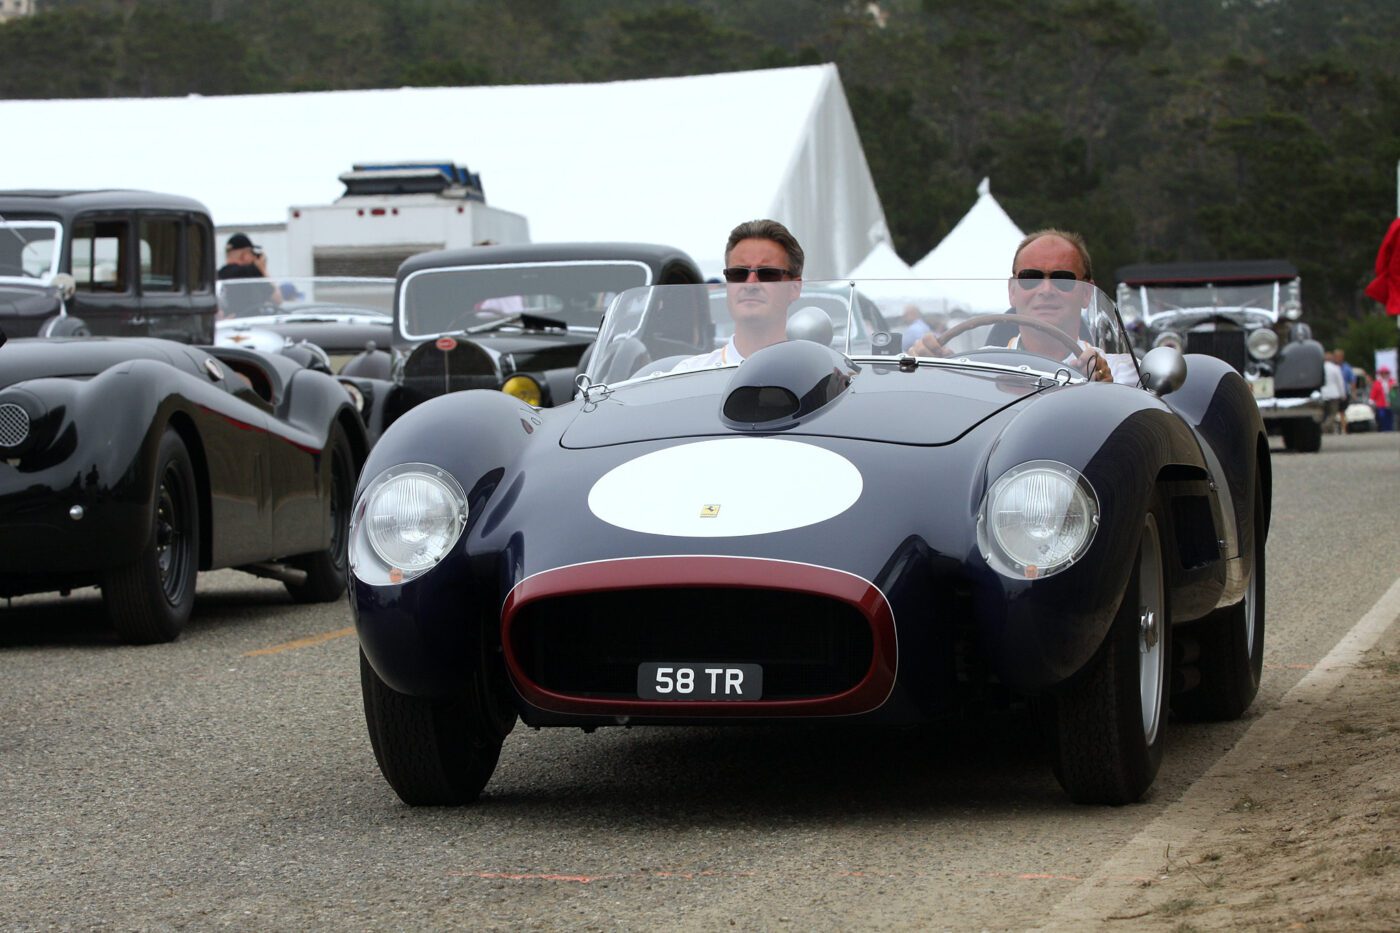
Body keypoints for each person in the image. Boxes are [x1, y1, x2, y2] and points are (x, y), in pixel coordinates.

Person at [910, 229, 1137, 385]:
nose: (1046, 290)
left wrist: (1107, 389)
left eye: (1062, 280)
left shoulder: (1123, 374)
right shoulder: (976, 367)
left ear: (1086, 293)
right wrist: (931, 366)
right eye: (1030, 278)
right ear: (1012, 292)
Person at [668, 219, 804, 372]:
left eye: (768, 273)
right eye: (738, 274)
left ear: (794, 288)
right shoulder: (689, 374)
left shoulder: (816, 373)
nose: (750, 284)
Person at [217, 233, 276, 317]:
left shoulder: (218, 275)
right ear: (244, 255)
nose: (253, 256)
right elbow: (277, 299)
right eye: (251, 253)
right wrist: (263, 270)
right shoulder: (250, 272)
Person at [1321, 350, 1347, 433]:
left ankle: (1329, 430)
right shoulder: (1335, 368)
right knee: (1333, 413)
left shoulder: (1320, 368)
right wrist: (1343, 394)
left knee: (1325, 414)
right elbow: (1340, 382)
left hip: (1323, 394)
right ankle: (1325, 426)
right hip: (1334, 394)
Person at [1372, 365, 1396, 432]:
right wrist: (1372, 400)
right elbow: (1374, 393)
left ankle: (1390, 431)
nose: (1385, 374)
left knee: (1390, 418)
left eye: (1386, 373)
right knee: (1382, 418)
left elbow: (1395, 394)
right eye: (1383, 373)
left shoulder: (1392, 382)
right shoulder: (1377, 383)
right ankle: (1383, 431)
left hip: (1391, 404)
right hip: (1381, 404)